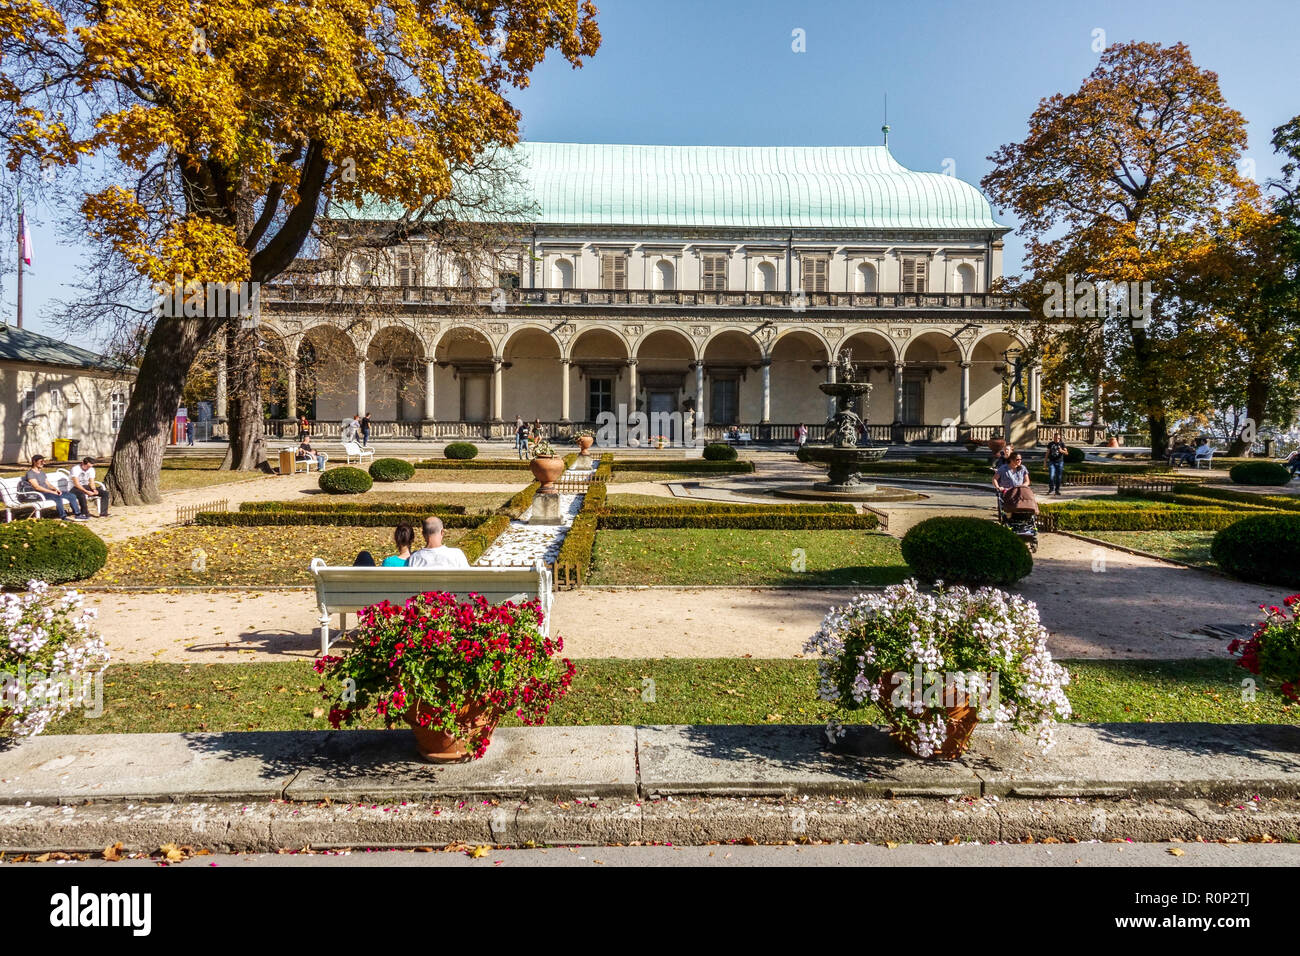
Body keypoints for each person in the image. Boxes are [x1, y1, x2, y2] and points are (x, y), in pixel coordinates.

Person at [20, 455, 84, 520]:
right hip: (39, 494)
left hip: (48, 492)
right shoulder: (30, 473)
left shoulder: (42, 473)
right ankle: (63, 516)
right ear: (34, 462)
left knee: (71, 495)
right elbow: (37, 487)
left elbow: (48, 484)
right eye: (41, 461)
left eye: (44, 461)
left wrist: (56, 490)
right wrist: (52, 492)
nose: (43, 463)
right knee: (57, 497)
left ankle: (77, 514)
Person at [1044, 431, 1066, 495]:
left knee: (1059, 477)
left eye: (1058, 438)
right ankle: (1051, 489)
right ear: (1054, 438)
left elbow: (1067, 453)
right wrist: (1045, 462)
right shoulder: (1050, 444)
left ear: (1060, 438)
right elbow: (1047, 453)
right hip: (1052, 462)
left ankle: (1057, 490)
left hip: (1060, 462)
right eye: (1056, 438)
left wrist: (1061, 451)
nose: (1057, 439)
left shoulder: (1062, 444)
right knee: (1051, 476)